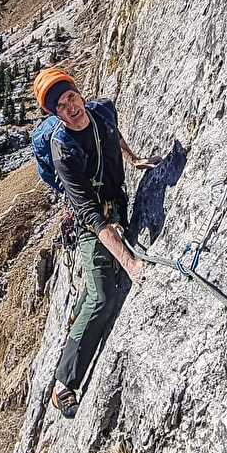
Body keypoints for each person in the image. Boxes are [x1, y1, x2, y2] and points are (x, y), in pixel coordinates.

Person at [31, 67, 160, 419]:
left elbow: (111, 134)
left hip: (113, 203)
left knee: (96, 291)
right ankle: (64, 385)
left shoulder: (102, 110)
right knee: (104, 294)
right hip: (89, 220)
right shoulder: (63, 150)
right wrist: (131, 264)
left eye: (70, 97)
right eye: (60, 106)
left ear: (78, 93)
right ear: (55, 115)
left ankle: (80, 316)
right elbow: (88, 212)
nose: (69, 107)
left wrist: (134, 160)